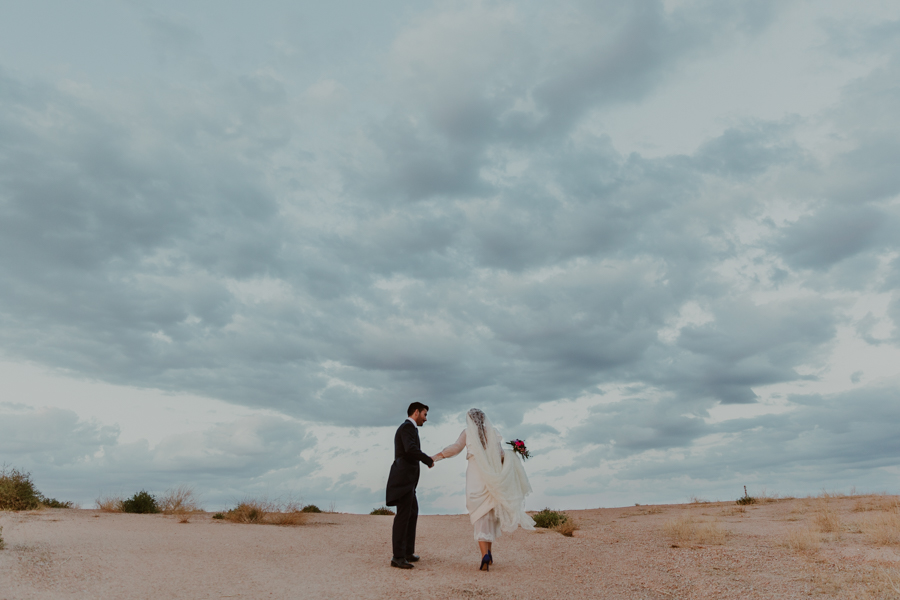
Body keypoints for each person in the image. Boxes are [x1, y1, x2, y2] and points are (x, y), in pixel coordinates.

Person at [432, 408, 534, 571]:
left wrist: (435, 457)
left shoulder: (467, 433)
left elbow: (455, 448)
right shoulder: (493, 432)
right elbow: (501, 455)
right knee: (490, 513)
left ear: (470, 420)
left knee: (479, 514)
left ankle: (484, 555)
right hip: (490, 475)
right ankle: (489, 553)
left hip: (474, 475)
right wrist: (512, 456)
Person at [385, 402, 435, 569]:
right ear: (416, 412)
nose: (426, 419)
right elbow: (410, 449)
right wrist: (427, 459)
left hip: (409, 481)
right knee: (403, 516)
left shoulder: (411, 429)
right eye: (424, 414)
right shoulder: (407, 427)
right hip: (403, 480)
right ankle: (397, 557)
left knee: (412, 514)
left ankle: (407, 552)